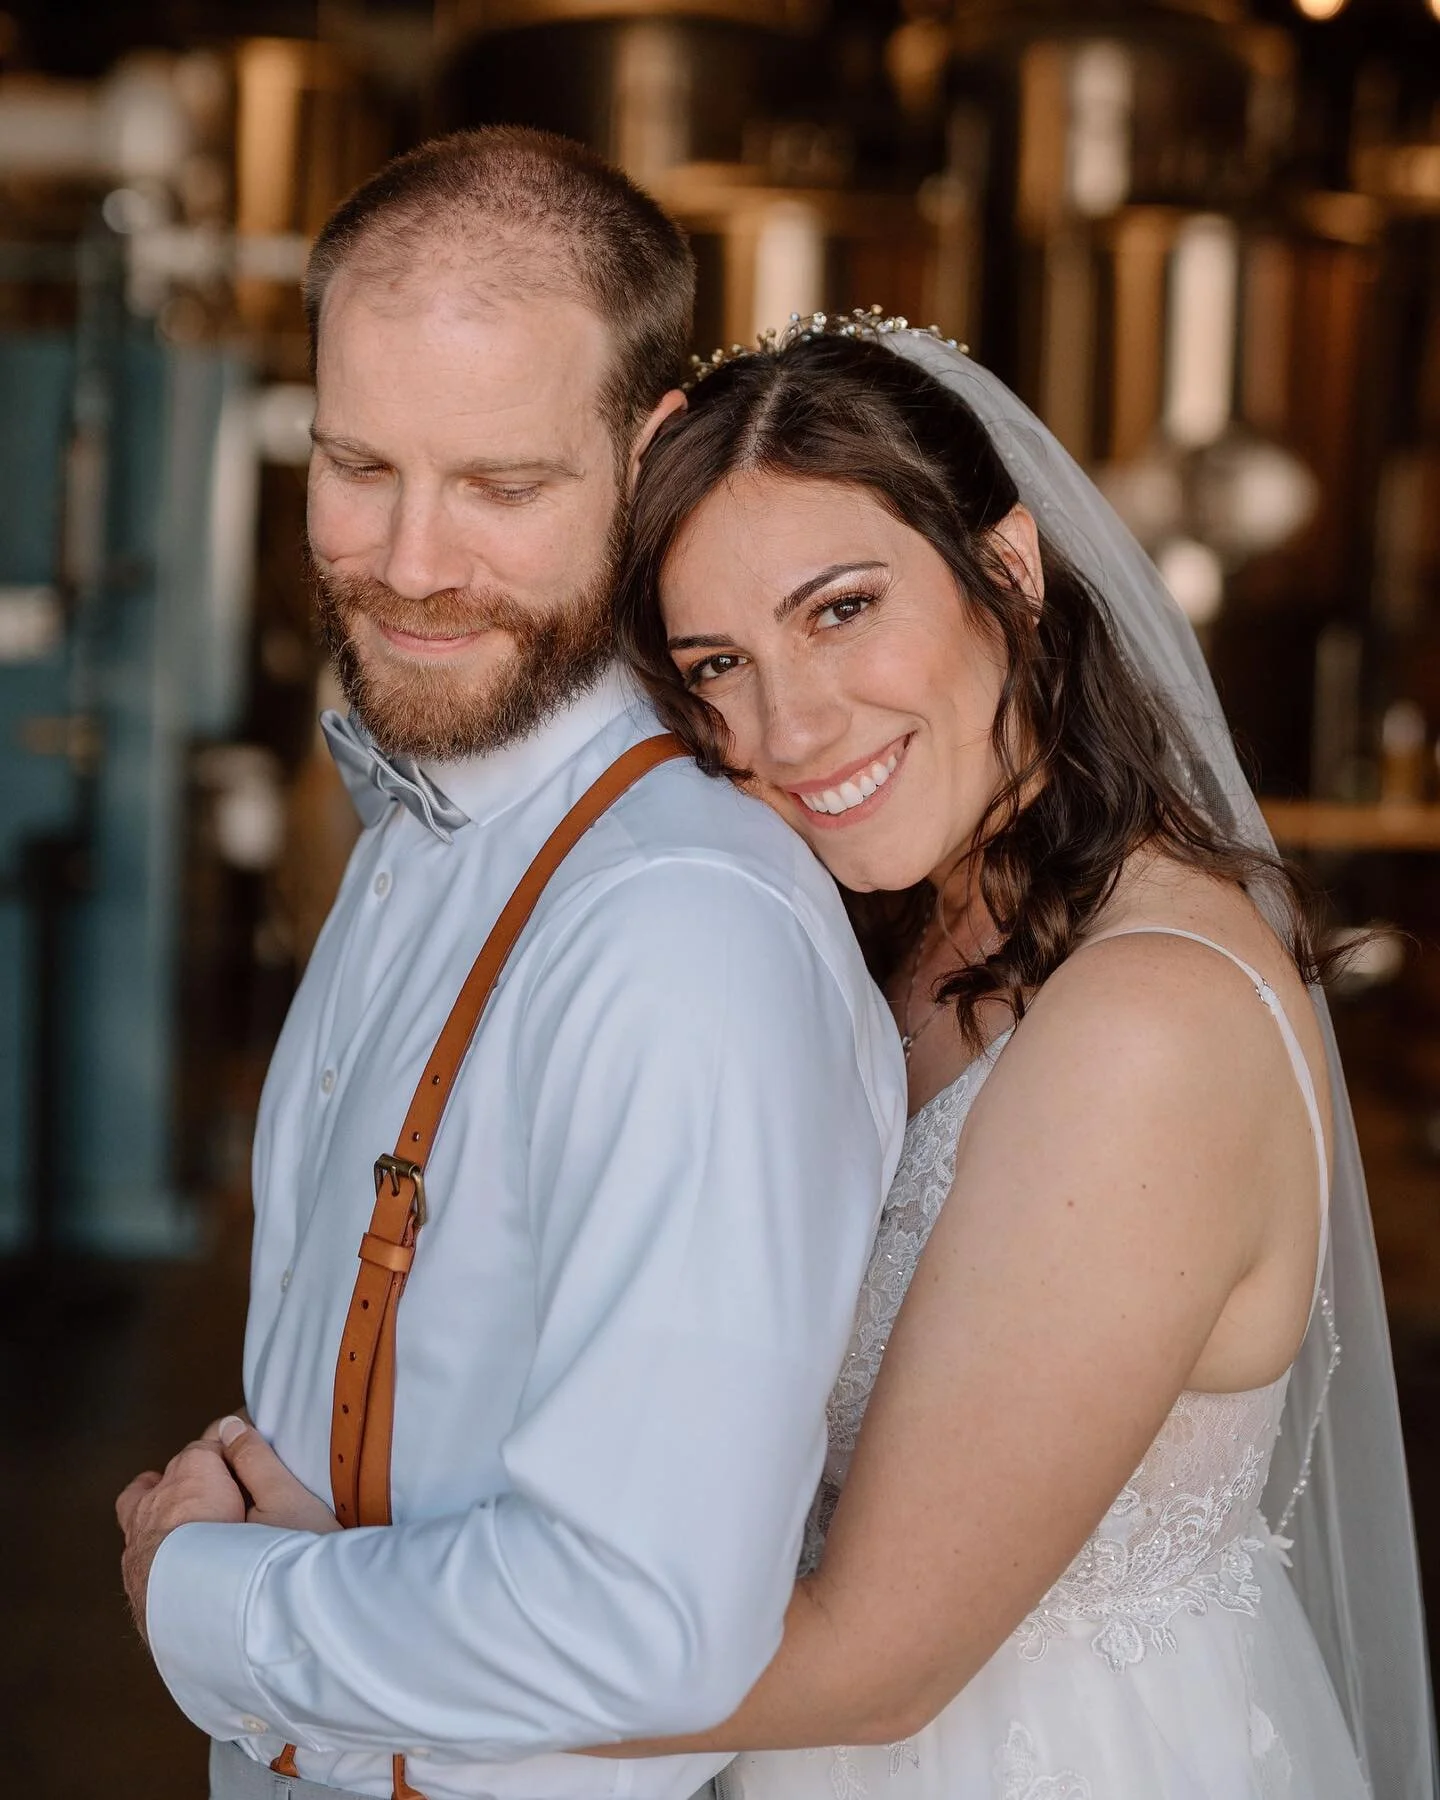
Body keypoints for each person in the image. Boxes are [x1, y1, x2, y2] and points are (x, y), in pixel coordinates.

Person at [113, 139, 908, 1800]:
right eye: (358, 465)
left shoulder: (679, 936)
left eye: (501, 486)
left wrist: (206, 1596)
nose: (410, 563)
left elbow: (648, 1624)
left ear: (649, 455)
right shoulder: (422, 814)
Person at [602, 313, 1438, 1798]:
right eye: (718, 663)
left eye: (841, 609)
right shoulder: (885, 936)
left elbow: (876, 1667)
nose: (789, 724)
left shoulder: (1146, 1026)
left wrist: (326, 1637)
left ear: (1009, 570)